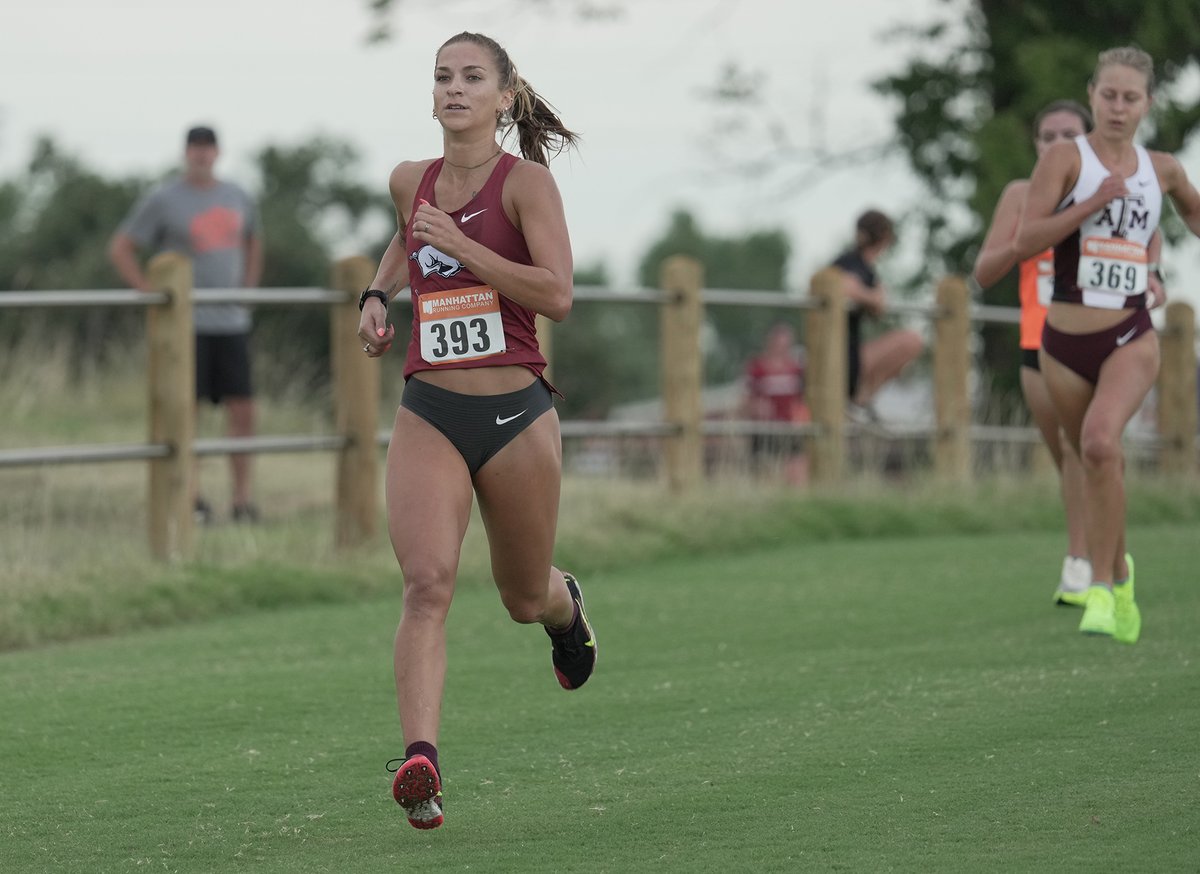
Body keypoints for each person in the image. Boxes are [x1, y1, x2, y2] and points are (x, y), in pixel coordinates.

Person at [356, 31, 595, 830]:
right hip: (430, 407)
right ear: (431, 97)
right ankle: (421, 759)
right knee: (427, 585)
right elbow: (404, 235)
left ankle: (567, 610)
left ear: (502, 97)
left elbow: (557, 294)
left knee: (521, 597)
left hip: (516, 413)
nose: (453, 88)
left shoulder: (525, 185)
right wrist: (375, 293)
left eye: (471, 78)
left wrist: (465, 248)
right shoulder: (408, 180)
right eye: (441, 77)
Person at [1015, 45, 1200, 643]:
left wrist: (1156, 269)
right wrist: (1091, 203)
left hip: (1129, 335)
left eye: (1132, 97)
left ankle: (1097, 588)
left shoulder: (1163, 168)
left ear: (1148, 103)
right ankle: (1121, 579)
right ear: (1092, 94)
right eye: (1109, 95)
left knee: (1099, 442)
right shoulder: (1067, 159)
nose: (1119, 107)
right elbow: (1028, 237)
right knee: (1097, 459)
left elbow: (1194, 216)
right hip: (1062, 342)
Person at [976, 100, 1165, 607]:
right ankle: (1099, 561)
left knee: (1093, 446)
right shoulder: (1020, 195)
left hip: (1105, 338)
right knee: (1071, 455)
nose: (1057, 145)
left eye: (1068, 135)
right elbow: (986, 269)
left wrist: (1152, 272)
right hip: (1041, 341)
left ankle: (1085, 566)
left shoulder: (1115, 183)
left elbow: (1153, 236)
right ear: (1035, 145)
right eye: (1047, 136)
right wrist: (1034, 237)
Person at [109, 125, 263, 524]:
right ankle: (192, 499)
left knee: (243, 410)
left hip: (231, 321)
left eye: (207, 148)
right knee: (185, 411)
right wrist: (150, 295)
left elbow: (253, 240)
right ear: (186, 153)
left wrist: (249, 288)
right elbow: (122, 246)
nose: (201, 155)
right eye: (195, 149)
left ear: (217, 152)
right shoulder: (164, 198)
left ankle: (242, 501)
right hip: (186, 325)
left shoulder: (238, 194)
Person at [830, 210, 924, 422]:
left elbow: (879, 303)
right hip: (839, 360)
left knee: (910, 345)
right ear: (884, 238)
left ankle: (860, 402)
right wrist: (873, 298)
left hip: (850, 357)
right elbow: (845, 286)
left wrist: (874, 298)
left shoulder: (867, 270)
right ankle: (858, 402)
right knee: (910, 341)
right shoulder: (850, 263)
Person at [741, 321, 809, 484]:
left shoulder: (797, 370)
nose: (782, 348)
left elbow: (804, 400)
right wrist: (756, 407)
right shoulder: (757, 368)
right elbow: (744, 400)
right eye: (778, 343)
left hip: (790, 429)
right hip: (765, 430)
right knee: (765, 475)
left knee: (796, 471)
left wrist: (801, 417)